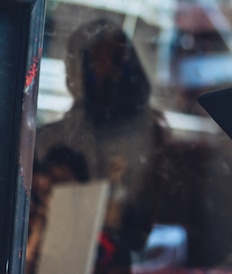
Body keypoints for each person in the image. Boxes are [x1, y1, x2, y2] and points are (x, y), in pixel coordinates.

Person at [32, 18, 174, 274]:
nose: (106, 70)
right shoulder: (46, 140)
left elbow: (138, 232)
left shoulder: (149, 134)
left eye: (116, 60)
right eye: (93, 60)